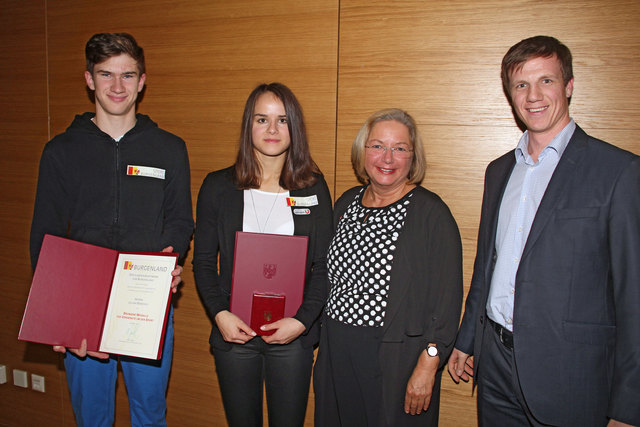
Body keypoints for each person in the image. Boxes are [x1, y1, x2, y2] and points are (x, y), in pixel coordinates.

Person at [447, 35, 640, 427]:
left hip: (570, 374)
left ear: (568, 86)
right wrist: (467, 340)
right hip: (496, 367)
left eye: (546, 81)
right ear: (510, 94)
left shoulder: (618, 171)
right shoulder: (498, 171)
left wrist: (628, 406)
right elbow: (486, 267)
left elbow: (634, 297)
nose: (533, 95)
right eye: (521, 84)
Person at [29, 33, 194, 426]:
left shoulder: (170, 148)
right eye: (106, 74)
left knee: (150, 415)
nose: (117, 86)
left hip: (146, 302)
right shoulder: (60, 151)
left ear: (142, 81)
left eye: (127, 75)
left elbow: (181, 220)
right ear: (89, 79)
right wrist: (56, 312)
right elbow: (45, 233)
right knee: (92, 417)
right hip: (81, 303)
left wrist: (170, 259)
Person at [193, 82, 332, 426]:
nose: (272, 129)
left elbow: (324, 266)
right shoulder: (218, 186)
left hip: (291, 336)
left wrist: (301, 321)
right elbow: (203, 262)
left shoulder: (313, 187)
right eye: (262, 119)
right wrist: (220, 314)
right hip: (235, 334)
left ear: (294, 127)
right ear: (248, 126)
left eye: (282, 120)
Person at [314, 108, 463, 426]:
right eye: (377, 145)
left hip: (396, 357)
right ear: (363, 151)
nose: (387, 157)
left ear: (412, 157)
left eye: (400, 148)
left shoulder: (431, 213)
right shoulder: (346, 203)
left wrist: (429, 364)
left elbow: (446, 302)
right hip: (337, 350)